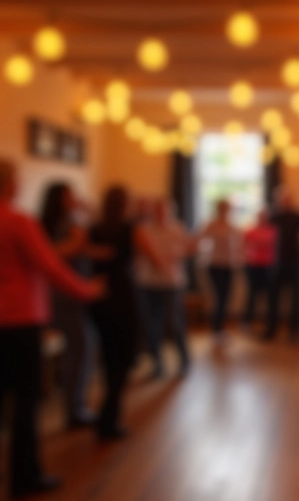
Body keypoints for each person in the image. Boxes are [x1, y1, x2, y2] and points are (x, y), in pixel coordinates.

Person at [0, 159, 103, 498]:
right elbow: (50, 267)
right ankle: (25, 477)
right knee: (26, 400)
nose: (20, 183)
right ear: (6, 184)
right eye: (16, 178)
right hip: (18, 319)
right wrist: (87, 290)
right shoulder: (17, 221)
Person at [90, 186, 163, 439]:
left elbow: (78, 251)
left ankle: (106, 417)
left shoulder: (94, 228)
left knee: (108, 357)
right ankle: (109, 420)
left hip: (98, 295)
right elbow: (155, 259)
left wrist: (100, 254)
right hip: (122, 296)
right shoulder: (132, 229)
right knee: (122, 358)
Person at [39, 182, 99, 428]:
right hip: (66, 293)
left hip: (60, 292)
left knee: (79, 348)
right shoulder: (67, 224)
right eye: (71, 196)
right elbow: (57, 253)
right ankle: (74, 409)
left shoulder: (48, 222)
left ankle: (74, 404)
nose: (76, 199)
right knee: (81, 350)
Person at [138, 199, 194, 377]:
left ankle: (184, 360)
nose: (162, 214)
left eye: (165, 210)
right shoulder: (145, 229)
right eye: (159, 210)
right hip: (149, 282)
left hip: (171, 282)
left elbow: (188, 248)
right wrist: (159, 260)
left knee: (174, 322)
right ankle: (157, 364)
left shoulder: (177, 228)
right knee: (151, 324)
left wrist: (173, 255)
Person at [262, 189, 299, 344]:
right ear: (279, 201)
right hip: (276, 263)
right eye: (283, 200)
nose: (286, 202)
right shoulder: (273, 217)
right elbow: (262, 231)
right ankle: (271, 329)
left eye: (288, 199)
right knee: (273, 299)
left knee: (296, 300)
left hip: (296, 263)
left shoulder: (298, 216)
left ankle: (294, 332)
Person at [198, 198, 241, 346]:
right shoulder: (211, 225)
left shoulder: (232, 226)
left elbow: (239, 246)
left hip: (229, 266)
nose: (226, 211)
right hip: (214, 265)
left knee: (225, 298)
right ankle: (216, 329)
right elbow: (200, 240)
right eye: (224, 208)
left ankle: (220, 329)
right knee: (219, 298)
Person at [241, 209, 276, 331]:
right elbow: (242, 245)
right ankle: (247, 322)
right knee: (252, 295)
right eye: (260, 216)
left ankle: (269, 322)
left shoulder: (273, 231)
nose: (262, 219)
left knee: (269, 296)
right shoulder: (251, 231)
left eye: (264, 217)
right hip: (253, 266)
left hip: (269, 266)